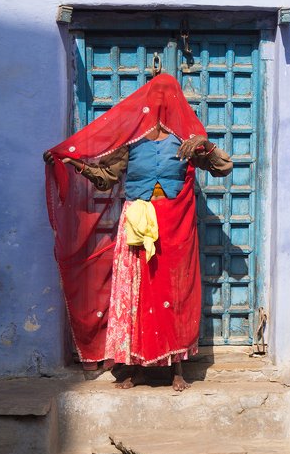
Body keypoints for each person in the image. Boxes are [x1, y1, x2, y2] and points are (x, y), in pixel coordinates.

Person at [43, 74, 232, 390]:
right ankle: (135, 367)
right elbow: (106, 177)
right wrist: (75, 162)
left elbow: (223, 168)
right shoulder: (132, 141)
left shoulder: (188, 138)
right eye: (155, 97)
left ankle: (177, 370)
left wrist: (207, 145)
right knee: (137, 292)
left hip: (177, 225)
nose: (161, 104)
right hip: (137, 225)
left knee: (176, 292)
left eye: (167, 98)